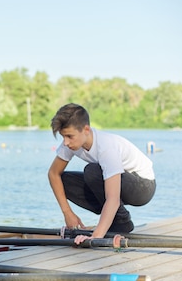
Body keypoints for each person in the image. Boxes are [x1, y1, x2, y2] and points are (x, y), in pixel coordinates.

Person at [47, 103, 156, 244]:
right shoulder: (71, 143)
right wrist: (68, 213)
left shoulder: (106, 146)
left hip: (143, 186)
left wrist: (96, 236)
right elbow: (53, 174)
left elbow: (113, 198)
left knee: (92, 171)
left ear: (86, 130)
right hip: (117, 185)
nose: (66, 142)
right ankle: (110, 218)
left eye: (69, 136)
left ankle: (122, 222)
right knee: (64, 180)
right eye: (63, 137)